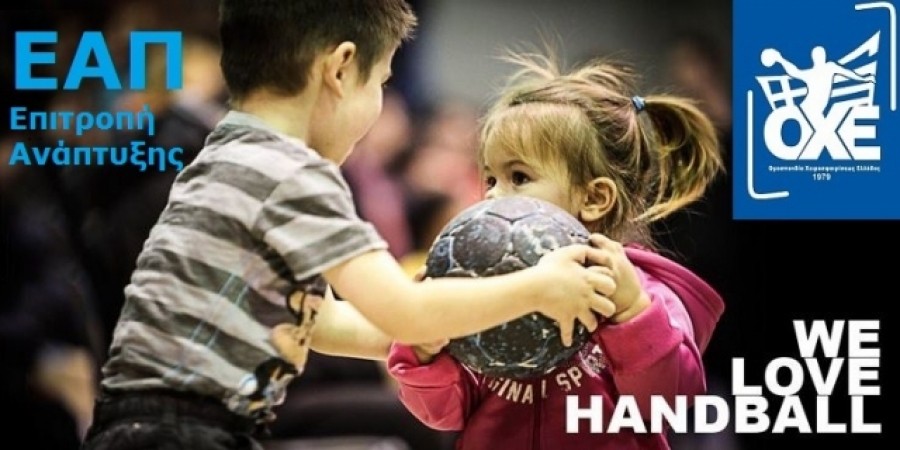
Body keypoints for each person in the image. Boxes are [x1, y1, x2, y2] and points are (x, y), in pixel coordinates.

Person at [80, 2, 615, 449]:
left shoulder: (223, 155)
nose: (380, 105)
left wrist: (433, 340)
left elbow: (320, 322)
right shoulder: (294, 173)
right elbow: (406, 310)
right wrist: (542, 287)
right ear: (340, 69)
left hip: (135, 425)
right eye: (380, 83)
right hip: (185, 433)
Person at [387, 51, 727, 450]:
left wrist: (633, 314)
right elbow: (444, 413)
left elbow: (668, 401)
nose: (493, 195)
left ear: (594, 198)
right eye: (491, 179)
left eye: (519, 177)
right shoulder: (484, 290)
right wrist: (424, 349)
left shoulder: (641, 293)